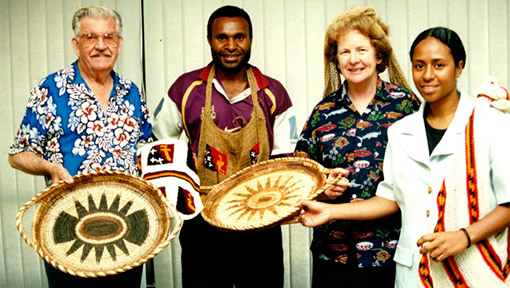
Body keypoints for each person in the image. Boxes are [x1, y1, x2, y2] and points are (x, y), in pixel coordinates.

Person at [298, 27, 510, 288]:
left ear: (459, 67)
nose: (428, 75)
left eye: (439, 65)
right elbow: (389, 197)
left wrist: (464, 236)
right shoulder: (400, 130)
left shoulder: (489, 121)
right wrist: (328, 210)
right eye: (419, 66)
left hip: (472, 265)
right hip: (412, 270)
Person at [152, 5, 296, 288]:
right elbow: (161, 146)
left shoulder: (273, 92)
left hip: (260, 223)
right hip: (202, 224)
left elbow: (284, 160)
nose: (231, 46)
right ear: (210, 40)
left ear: (250, 40)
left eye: (239, 37)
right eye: (222, 38)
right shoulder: (185, 88)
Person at [8, 6, 152, 288]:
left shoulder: (132, 92)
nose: (101, 46)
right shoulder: (50, 89)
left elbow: (147, 151)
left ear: (119, 43)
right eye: (90, 37)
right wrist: (49, 167)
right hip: (67, 230)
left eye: (109, 37)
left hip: (128, 230)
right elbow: (18, 155)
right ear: (76, 44)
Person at [294, 7, 420, 288]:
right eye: (344, 52)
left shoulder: (405, 106)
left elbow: (423, 181)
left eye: (362, 50)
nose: (354, 60)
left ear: (378, 55)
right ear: (335, 61)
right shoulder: (322, 113)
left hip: (389, 253)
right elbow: (298, 179)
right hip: (332, 256)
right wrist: (322, 189)